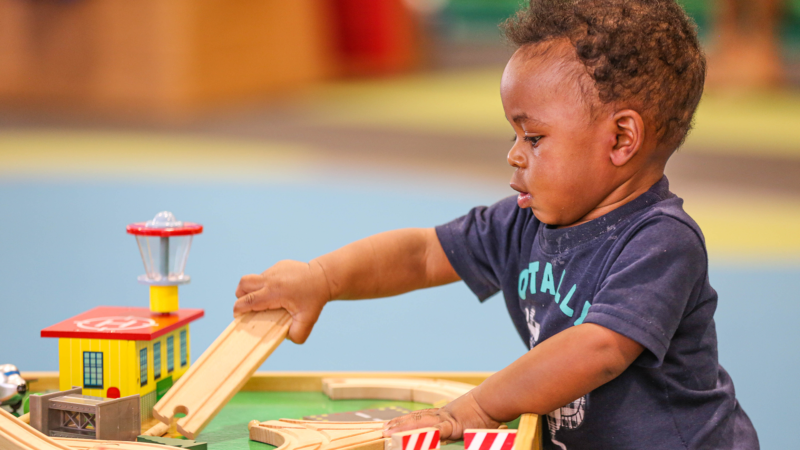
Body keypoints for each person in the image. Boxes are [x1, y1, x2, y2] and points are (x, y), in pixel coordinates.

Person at [233, 0, 759, 448]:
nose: (514, 154)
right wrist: (322, 279)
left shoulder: (661, 240)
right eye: (514, 134)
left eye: (534, 138)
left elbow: (598, 349)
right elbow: (423, 253)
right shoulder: (524, 222)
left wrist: (477, 408)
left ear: (621, 139)